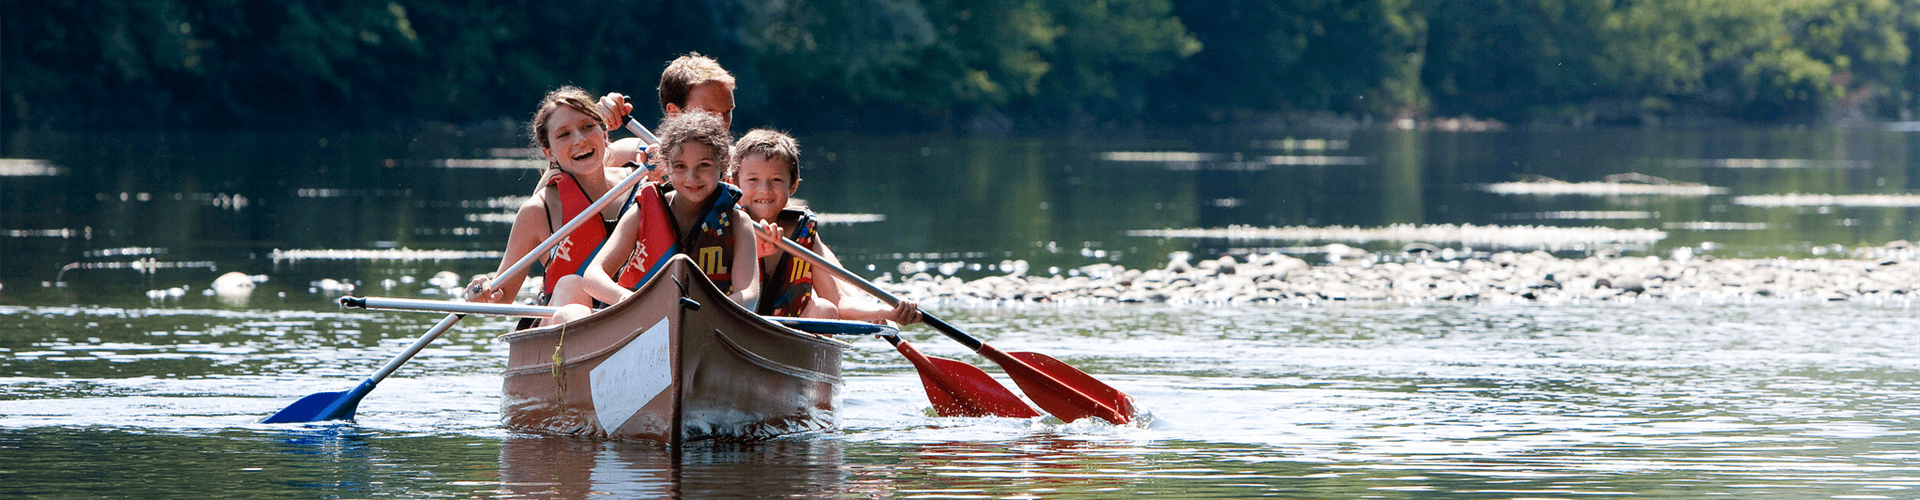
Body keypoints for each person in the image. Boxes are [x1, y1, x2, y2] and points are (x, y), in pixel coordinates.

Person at [555, 111, 759, 318]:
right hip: (639, 316)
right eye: (680, 166)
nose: (692, 177)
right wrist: (626, 299)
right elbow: (592, 277)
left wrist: (702, 311)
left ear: (723, 164)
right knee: (570, 305)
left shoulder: (738, 221)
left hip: (705, 320)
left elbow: (749, 294)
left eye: (704, 165)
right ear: (667, 166)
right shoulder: (643, 210)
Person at [465, 86, 639, 321]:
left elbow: (670, 152)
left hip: (637, 314)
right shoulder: (538, 211)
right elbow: (501, 295)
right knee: (572, 286)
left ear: (605, 134)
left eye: (588, 127)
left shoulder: (642, 179)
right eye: (564, 134)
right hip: (564, 324)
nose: (580, 139)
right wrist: (481, 288)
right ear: (549, 153)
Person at [733, 129, 922, 325]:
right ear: (735, 182)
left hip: (787, 334)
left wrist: (887, 312)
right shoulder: (725, 225)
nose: (765, 189)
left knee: (824, 309)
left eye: (776, 180)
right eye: (753, 180)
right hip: (736, 322)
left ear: (793, 186)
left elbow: (839, 302)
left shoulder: (804, 233)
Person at [603, 52, 737, 184]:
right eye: (709, 113)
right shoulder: (628, 153)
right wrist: (596, 122)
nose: (721, 123)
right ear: (674, 113)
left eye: (727, 112)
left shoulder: (742, 165)